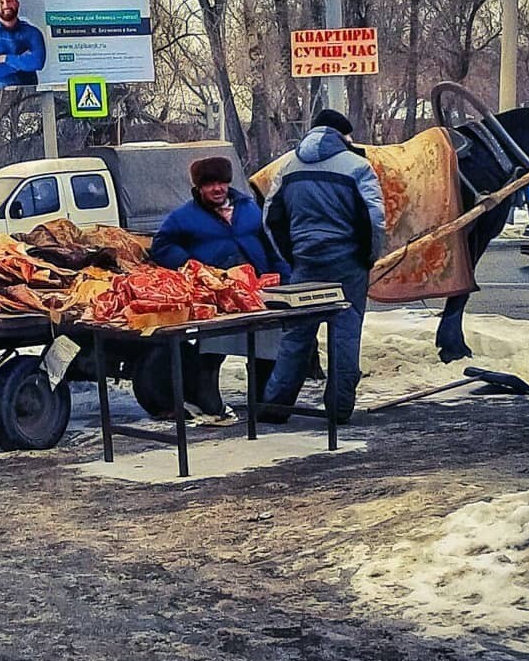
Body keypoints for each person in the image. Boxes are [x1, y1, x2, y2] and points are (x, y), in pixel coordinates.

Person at [259, 109, 386, 425]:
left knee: (297, 336)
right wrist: (369, 257)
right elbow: (374, 220)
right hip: (348, 264)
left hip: (305, 262)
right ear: (343, 136)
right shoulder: (358, 167)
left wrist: (294, 256)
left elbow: (271, 219)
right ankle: (339, 409)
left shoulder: (287, 167)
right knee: (345, 334)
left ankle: (276, 407)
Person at [150, 156, 288, 422]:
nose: (217, 189)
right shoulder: (183, 217)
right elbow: (162, 246)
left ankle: (264, 403)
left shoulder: (250, 209)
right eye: (210, 184)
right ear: (199, 188)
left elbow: (271, 244)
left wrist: (282, 274)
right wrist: (191, 266)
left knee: (265, 346)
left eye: (222, 182)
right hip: (215, 294)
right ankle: (208, 400)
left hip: (256, 288)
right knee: (213, 347)